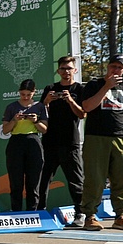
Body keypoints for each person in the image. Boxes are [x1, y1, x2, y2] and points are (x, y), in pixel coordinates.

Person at [77, 54, 123, 231]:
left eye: (119, 67)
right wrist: (106, 87)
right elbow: (87, 107)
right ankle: (90, 216)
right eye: (113, 66)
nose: (115, 70)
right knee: (95, 178)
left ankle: (120, 216)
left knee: (122, 178)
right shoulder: (94, 85)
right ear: (107, 67)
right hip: (96, 137)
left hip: (122, 137)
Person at [37, 56, 86, 217]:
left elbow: (82, 114)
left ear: (75, 70)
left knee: (76, 180)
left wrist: (70, 100)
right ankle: (40, 212)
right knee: (44, 180)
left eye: (69, 68)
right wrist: (47, 101)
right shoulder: (50, 88)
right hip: (50, 142)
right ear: (58, 71)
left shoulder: (79, 89)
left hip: (70, 142)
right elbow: (41, 114)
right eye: (63, 69)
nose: (66, 72)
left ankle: (81, 213)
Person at [1, 79, 48, 211]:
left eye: (29, 95)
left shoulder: (39, 106)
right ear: (19, 93)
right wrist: (15, 120)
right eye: (23, 95)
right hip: (16, 142)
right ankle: (16, 211)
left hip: (33, 141)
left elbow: (44, 129)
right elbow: (5, 130)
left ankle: (33, 211)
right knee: (16, 181)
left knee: (33, 181)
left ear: (34, 92)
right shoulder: (11, 107)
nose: (26, 98)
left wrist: (35, 121)